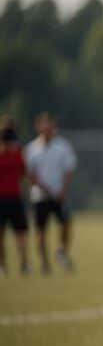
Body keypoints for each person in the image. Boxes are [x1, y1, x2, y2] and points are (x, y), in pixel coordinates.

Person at [25, 113, 76, 274]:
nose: (47, 129)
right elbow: (30, 174)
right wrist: (43, 187)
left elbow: (69, 170)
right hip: (40, 197)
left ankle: (61, 251)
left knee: (66, 224)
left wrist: (63, 191)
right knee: (41, 231)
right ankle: (45, 264)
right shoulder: (32, 149)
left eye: (49, 125)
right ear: (38, 127)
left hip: (58, 196)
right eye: (43, 125)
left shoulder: (63, 147)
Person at [0, 117, 30, 276]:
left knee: (21, 232)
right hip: (0, 200)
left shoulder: (18, 154)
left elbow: (24, 173)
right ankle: (3, 265)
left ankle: (24, 263)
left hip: (15, 198)